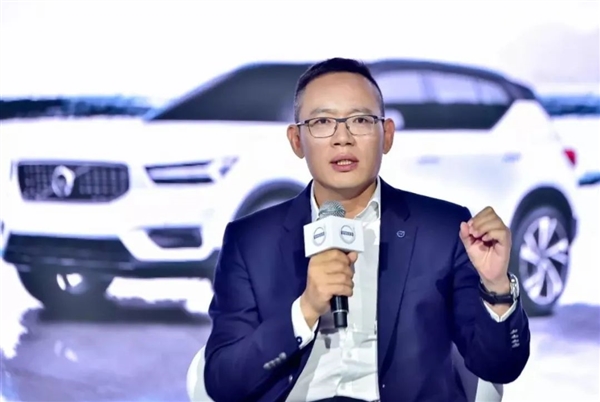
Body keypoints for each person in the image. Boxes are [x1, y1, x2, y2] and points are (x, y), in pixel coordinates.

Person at [203, 58, 530, 402]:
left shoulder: (443, 229)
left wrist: (496, 287)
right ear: (296, 140)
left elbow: (500, 367)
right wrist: (305, 310)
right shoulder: (251, 241)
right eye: (322, 122)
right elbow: (223, 381)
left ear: (386, 135)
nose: (342, 138)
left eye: (360, 120)